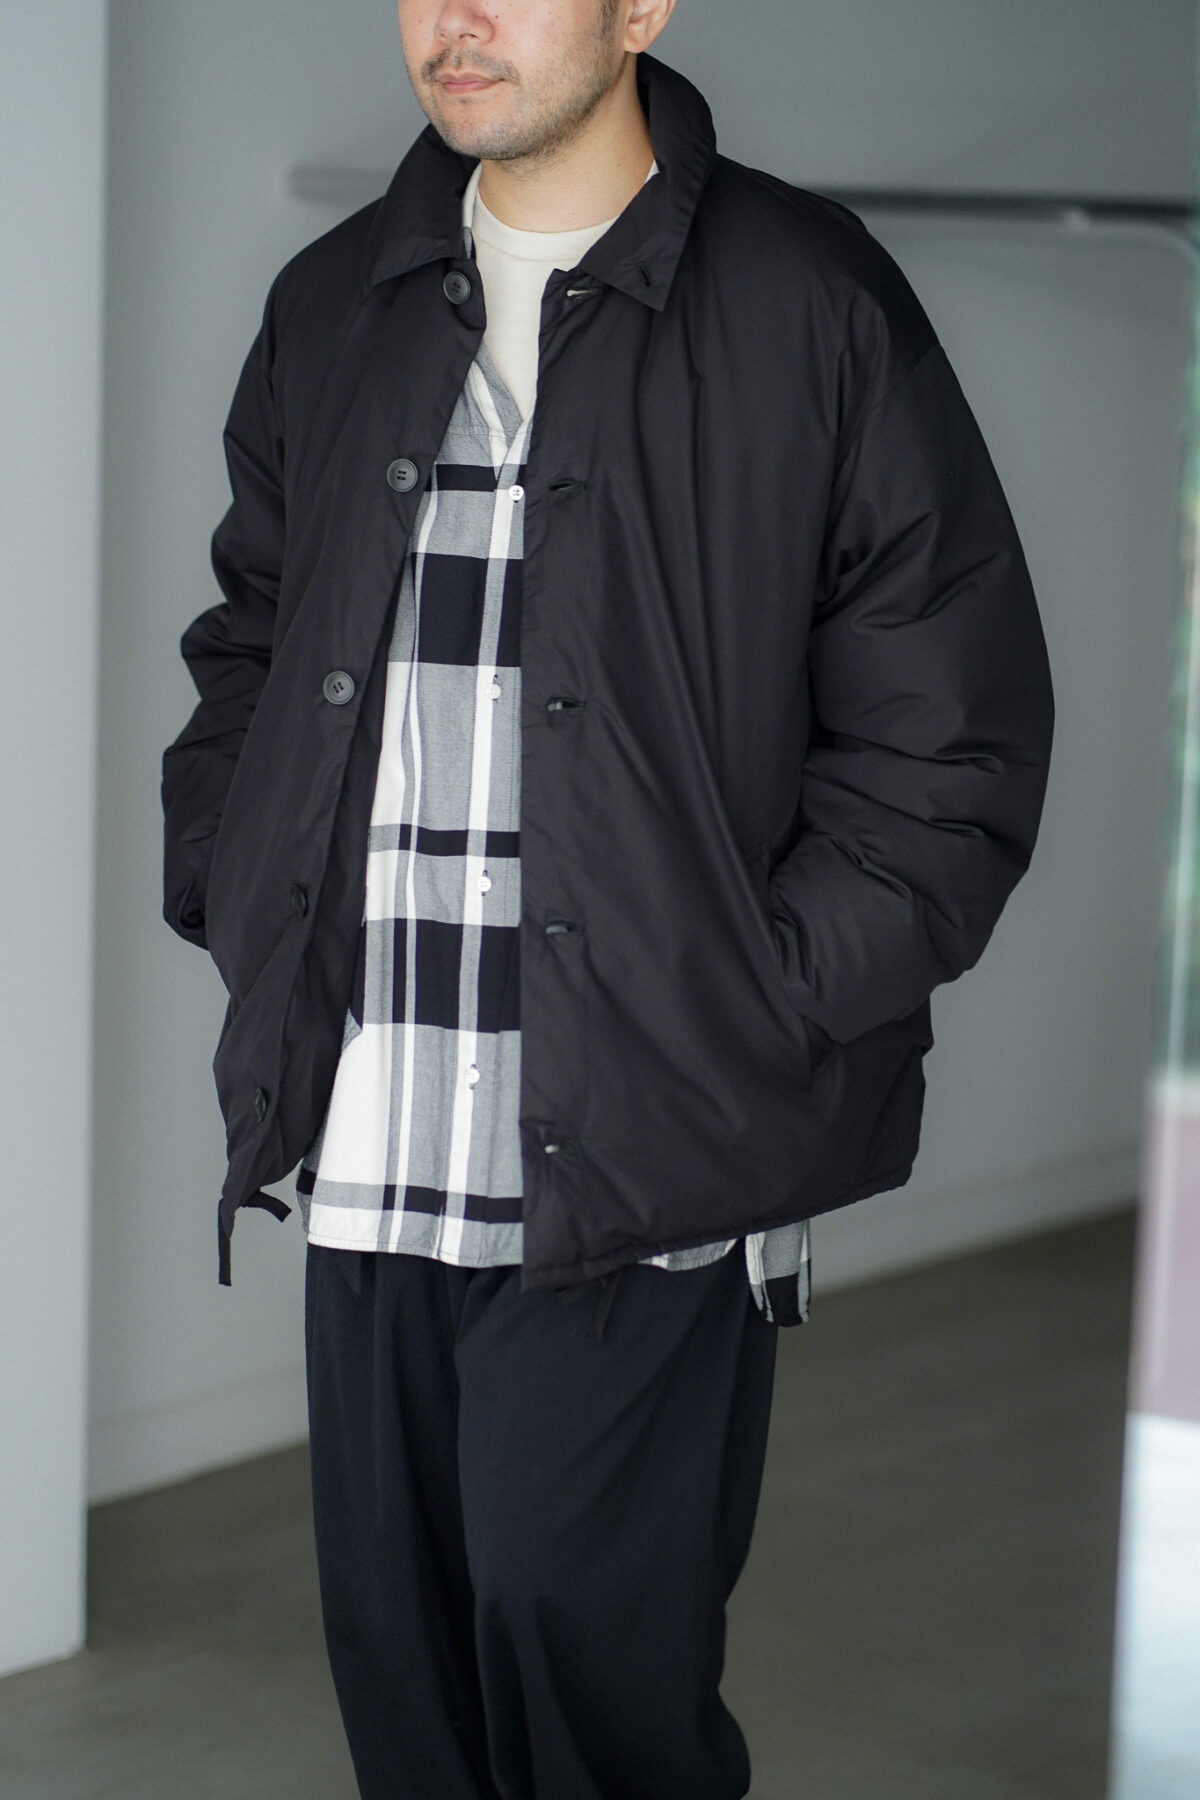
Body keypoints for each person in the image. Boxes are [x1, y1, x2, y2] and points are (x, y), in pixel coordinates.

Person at [161, 3, 1054, 1795]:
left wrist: (757, 999)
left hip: (656, 1146)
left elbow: (946, 743)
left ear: (642, 6)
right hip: (376, 1137)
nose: (456, 20)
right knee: (407, 1693)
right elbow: (252, 645)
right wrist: (238, 886)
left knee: (592, 1700)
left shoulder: (809, 299)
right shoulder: (335, 304)